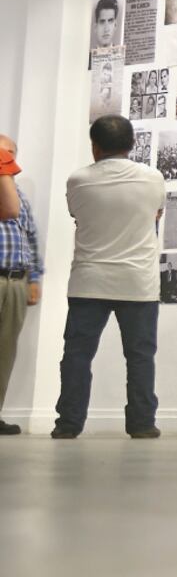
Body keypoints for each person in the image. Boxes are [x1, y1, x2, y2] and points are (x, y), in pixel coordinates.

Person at [52, 115, 166, 439]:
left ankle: (68, 425)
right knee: (141, 357)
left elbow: (76, 215)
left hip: (89, 281)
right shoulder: (153, 178)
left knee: (77, 355)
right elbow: (156, 214)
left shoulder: (78, 180)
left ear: (95, 146)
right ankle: (142, 423)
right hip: (138, 282)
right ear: (132, 145)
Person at [0, 135, 42, 435]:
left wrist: (35, 278)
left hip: (16, 280)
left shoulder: (21, 196)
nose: (8, 159)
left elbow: (30, 237)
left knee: (5, 352)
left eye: (11, 153)